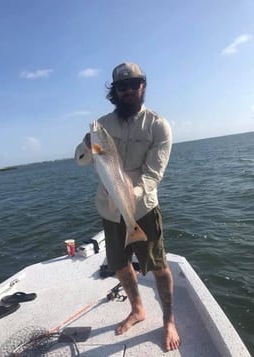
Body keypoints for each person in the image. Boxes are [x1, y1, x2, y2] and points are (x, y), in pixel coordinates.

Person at [75, 62, 180, 351]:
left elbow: (153, 174)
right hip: (110, 211)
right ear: (115, 91)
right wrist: (87, 146)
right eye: (123, 87)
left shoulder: (159, 126)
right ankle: (138, 309)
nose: (129, 91)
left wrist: (128, 193)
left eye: (135, 84)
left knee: (158, 266)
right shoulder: (102, 126)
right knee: (120, 265)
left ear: (143, 86)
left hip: (143, 209)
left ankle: (169, 320)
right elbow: (83, 161)